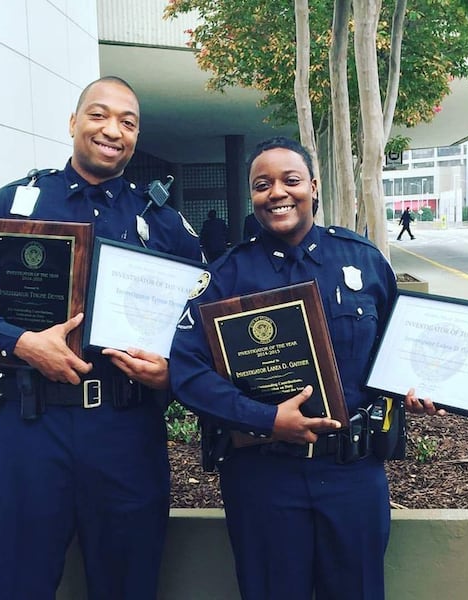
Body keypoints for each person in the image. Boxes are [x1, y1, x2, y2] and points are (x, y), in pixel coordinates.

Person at [0, 76, 202, 599]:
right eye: (99, 115)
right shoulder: (15, 205)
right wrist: (20, 342)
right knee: (19, 586)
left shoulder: (160, 222)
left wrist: (173, 369)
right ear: (73, 122)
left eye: (128, 122)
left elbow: (201, 322)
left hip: (125, 434)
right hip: (29, 430)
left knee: (128, 586)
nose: (112, 130)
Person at [169, 136, 443, 600]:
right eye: (262, 184)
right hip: (263, 478)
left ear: (313, 186)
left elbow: (402, 349)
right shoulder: (225, 278)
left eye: (290, 180)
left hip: (352, 475)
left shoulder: (363, 261)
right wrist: (267, 420)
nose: (277, 192)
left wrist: (414, 386)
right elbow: (187, 373)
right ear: (252, 196)